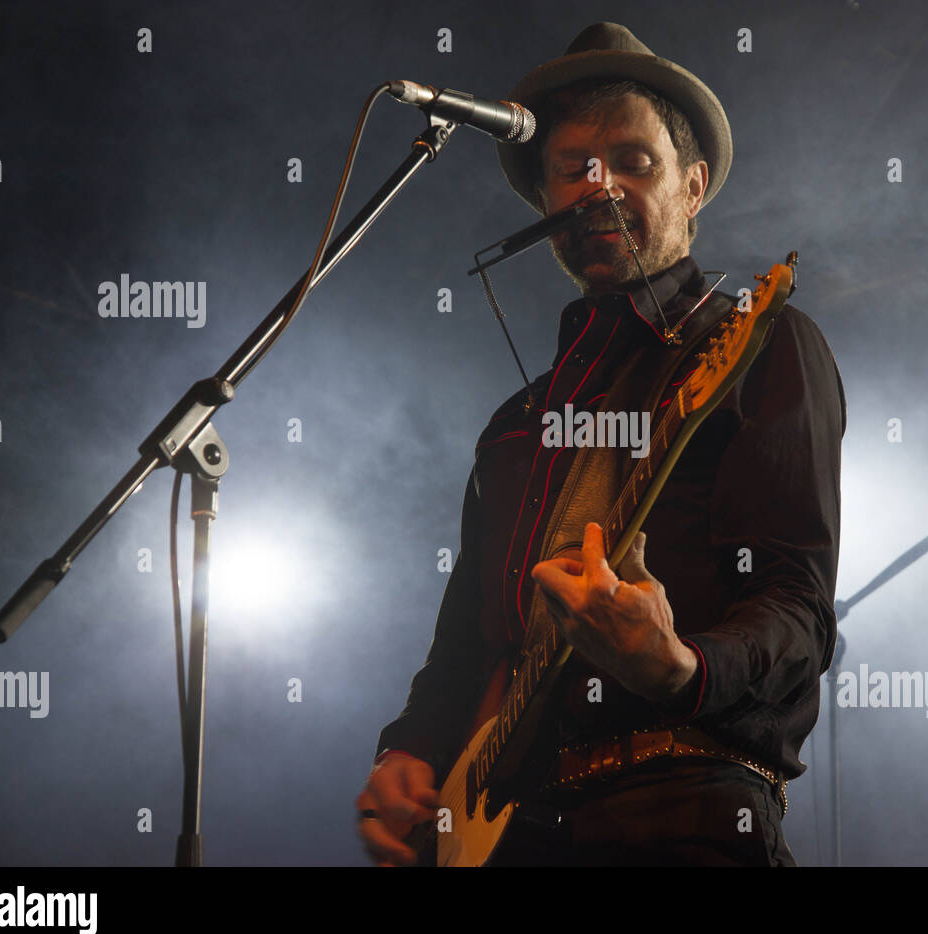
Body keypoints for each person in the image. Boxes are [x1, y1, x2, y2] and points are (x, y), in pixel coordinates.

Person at [356, 22, 846, 866]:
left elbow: (797, 606)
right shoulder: (515, 427)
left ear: (693, 188)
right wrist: (408, 752)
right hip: (510, 835)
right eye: (571, 168)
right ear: (546, 204)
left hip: (684, 811)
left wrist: (684, 667)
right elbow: (464, 650)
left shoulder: (759, 343)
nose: (598, 187)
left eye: (633, 162)